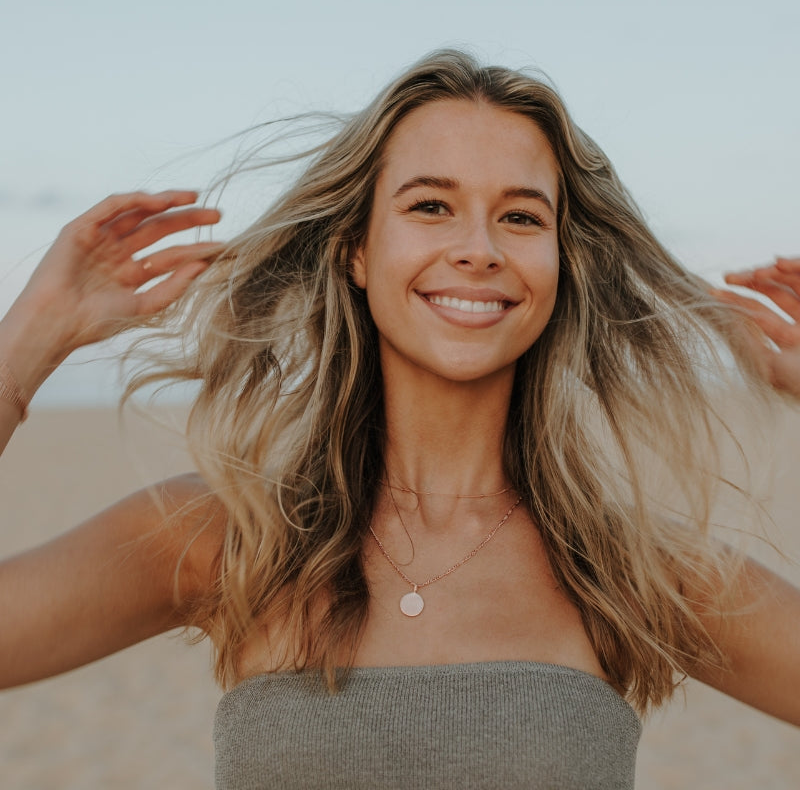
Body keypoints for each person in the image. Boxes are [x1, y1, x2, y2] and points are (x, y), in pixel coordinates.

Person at [0, 49, 798, 789]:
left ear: (559, 265)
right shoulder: (229, 535)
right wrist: (31, 339)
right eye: (430, 206)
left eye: (521, 218)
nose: (479, 248)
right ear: (356, 249)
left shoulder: (630, 567)